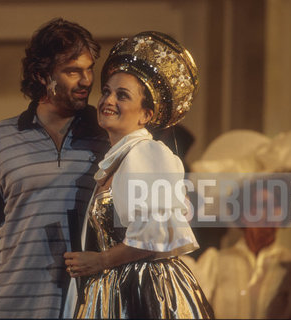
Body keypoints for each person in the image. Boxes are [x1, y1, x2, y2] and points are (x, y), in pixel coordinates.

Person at [63, 32, 214, 319]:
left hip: (145, 290)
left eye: (122, 95)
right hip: (113, 287)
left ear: (146, 115)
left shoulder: (147, 154)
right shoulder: (116, 161)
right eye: (106, 91)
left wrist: (101, 260)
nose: (108, 100)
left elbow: (154, 234)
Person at [0, 18, 108, 319]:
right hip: (8, 304)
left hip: (81, 306)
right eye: (73, 71)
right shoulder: (1, 137)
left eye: (89, 68)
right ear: (41, 75)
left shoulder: (106, 136)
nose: (86, 80)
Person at [185, 130, 291, 319]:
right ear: (242, 212)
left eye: (276, 206)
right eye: (260, 206)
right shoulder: (214, 264)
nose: (269, 214)